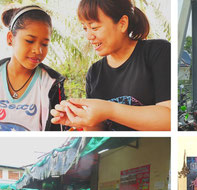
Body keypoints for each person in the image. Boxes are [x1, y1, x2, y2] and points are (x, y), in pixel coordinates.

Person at [51, 0, 170, 131]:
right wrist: (83, 120)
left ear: (122, 24)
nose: (89, 36)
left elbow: (169, 119)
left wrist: (109, 110)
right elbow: (99, 132)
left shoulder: (158, 52)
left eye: (94, 27)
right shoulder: (94, 73)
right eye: (85, 28)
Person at [0, 5, 65, 131]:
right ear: (10, 39)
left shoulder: (52, 83)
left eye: (44, 44)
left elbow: (57, 129)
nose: (38, 50)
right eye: (30, 41)